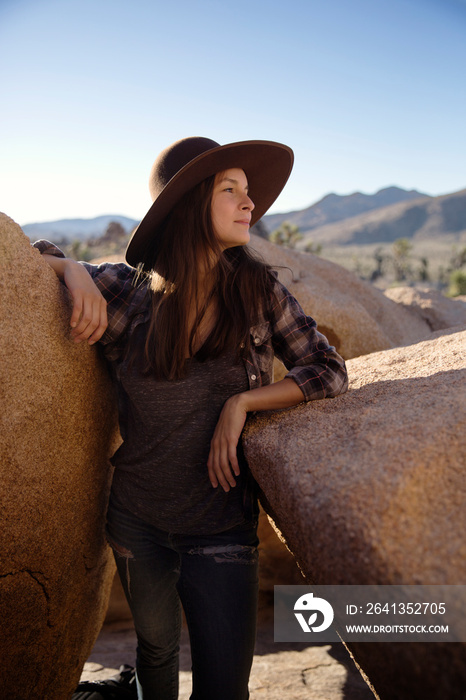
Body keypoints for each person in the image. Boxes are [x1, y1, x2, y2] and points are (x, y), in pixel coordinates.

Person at [35, 137, 348, 700]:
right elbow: (32, 257)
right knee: (154, 657)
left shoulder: (259, 291)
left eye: (248, 193)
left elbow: (326, 369)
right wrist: (71, 272)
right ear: (188, 207)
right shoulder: (129, 293)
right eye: (230, 191)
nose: (248, 204)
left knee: (224, 688)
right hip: (136, 522)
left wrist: (243, 403)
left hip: (222, 526)